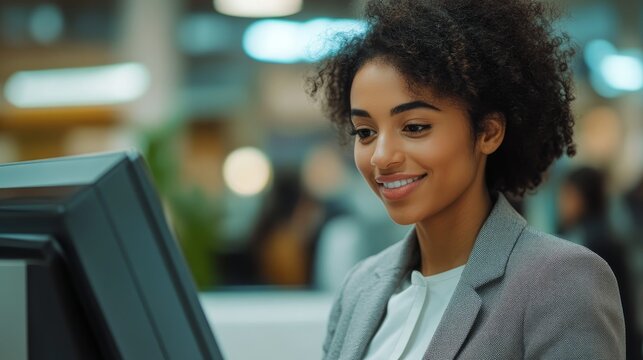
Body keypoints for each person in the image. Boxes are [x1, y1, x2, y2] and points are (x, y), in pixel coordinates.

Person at [307, 0, 625, 358]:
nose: (381, 156)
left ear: (488, 132)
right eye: (365, 132)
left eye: (414, 127)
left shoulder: (561, 282)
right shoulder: (360, 287)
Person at [558, 167, 642, 360]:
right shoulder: (608, 232)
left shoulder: (587, 241)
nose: (561, 203)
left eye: (567, 195)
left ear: (581, 197)